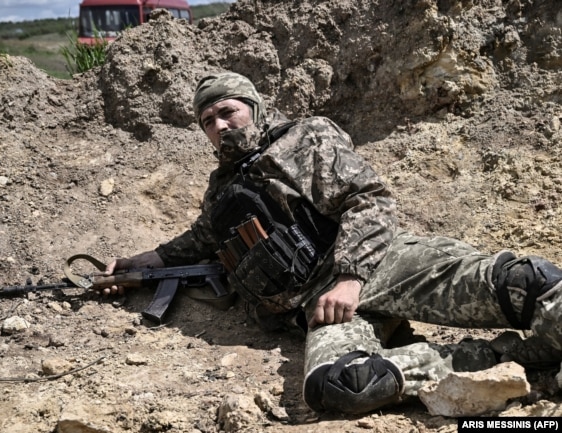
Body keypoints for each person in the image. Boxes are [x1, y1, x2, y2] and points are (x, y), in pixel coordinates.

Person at [103, 72, 562, 415]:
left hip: (382, 264)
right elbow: (199, 240)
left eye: (228, 111)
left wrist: (349, 278)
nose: (220, 125)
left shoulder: (305, 137)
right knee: (341, 387)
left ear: (253, 107)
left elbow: (370, 200)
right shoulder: (221, 188)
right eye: (208, 120)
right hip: (318, 308)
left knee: (532, 285)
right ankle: (508, 359)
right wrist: (138, 265)